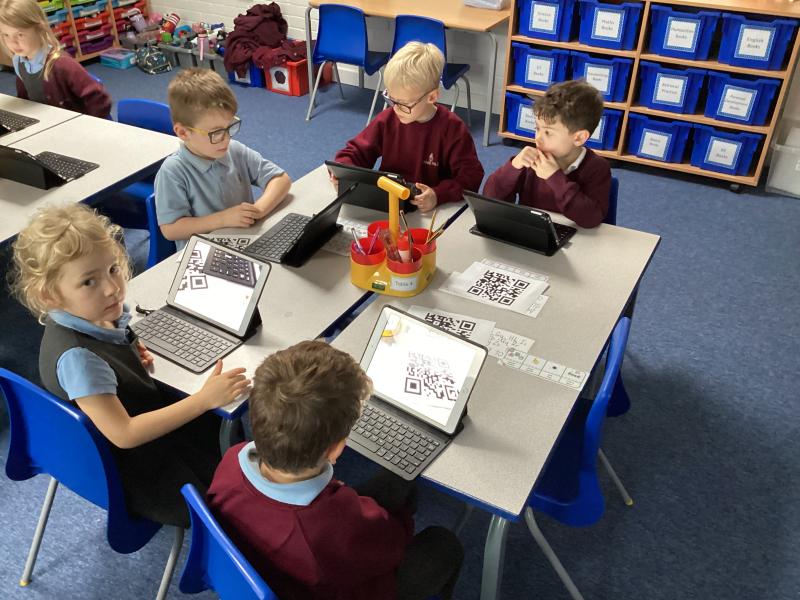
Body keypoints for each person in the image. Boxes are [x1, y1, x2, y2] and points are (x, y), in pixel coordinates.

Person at [10, 203, 251, 527]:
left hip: (144, 426)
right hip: (149, 470)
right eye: (89, 282)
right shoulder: (79, 358)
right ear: (49, 295)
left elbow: (111, 337)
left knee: (228, 426)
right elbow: (124, 434)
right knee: (244, 479)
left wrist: (129, 349)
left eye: (113, 269)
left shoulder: (90, 316)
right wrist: (203, 400)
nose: (112, 288)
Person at [207, 340, 464, 600]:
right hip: (335, 578)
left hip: (282, 564)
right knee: (444, 544)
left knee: (396, 483)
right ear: (336, 449)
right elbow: (391, 550)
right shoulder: (333, 525)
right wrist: (400, 524)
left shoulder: (232, 459)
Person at [333, 41, 483, 213]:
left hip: (430, 210)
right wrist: (344, 173)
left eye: (404, 104)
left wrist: (438, 194)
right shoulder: (388, 119)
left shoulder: (452, 129)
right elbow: (355, 152)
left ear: (432, 97)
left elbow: (471, 177)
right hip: (388, 204)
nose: (396, 108)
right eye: (391, 99)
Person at [154, 68, 291, 248]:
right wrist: (223, 219)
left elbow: (281, 179)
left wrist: (258, 211)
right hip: (203, 253)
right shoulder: (173, 172)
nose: (226, 138)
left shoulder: (233, 150)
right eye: (216, 132)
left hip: (246, 242)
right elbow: (170, 229)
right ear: (183, 133)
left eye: (229, 127)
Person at [483, 79, 611, 228]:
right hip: (532, 231)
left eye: (548, 132)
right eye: (537, 128)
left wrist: (554, 177)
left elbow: (591, 218)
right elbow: (490, 197)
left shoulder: (597, 169)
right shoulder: (532, 160)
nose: (538, 138)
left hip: (575, 237)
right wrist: (513, 167)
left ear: (579, 138)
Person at [0, 0, 111, 118]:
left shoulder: (62, 64)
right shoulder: (19, 61)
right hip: (46, 122)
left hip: (70, 125)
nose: (12, 43)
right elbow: (25, 101)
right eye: (6, 35)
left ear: (39, 29)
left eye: (20, 35)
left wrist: (87, 125)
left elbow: (100, 101)